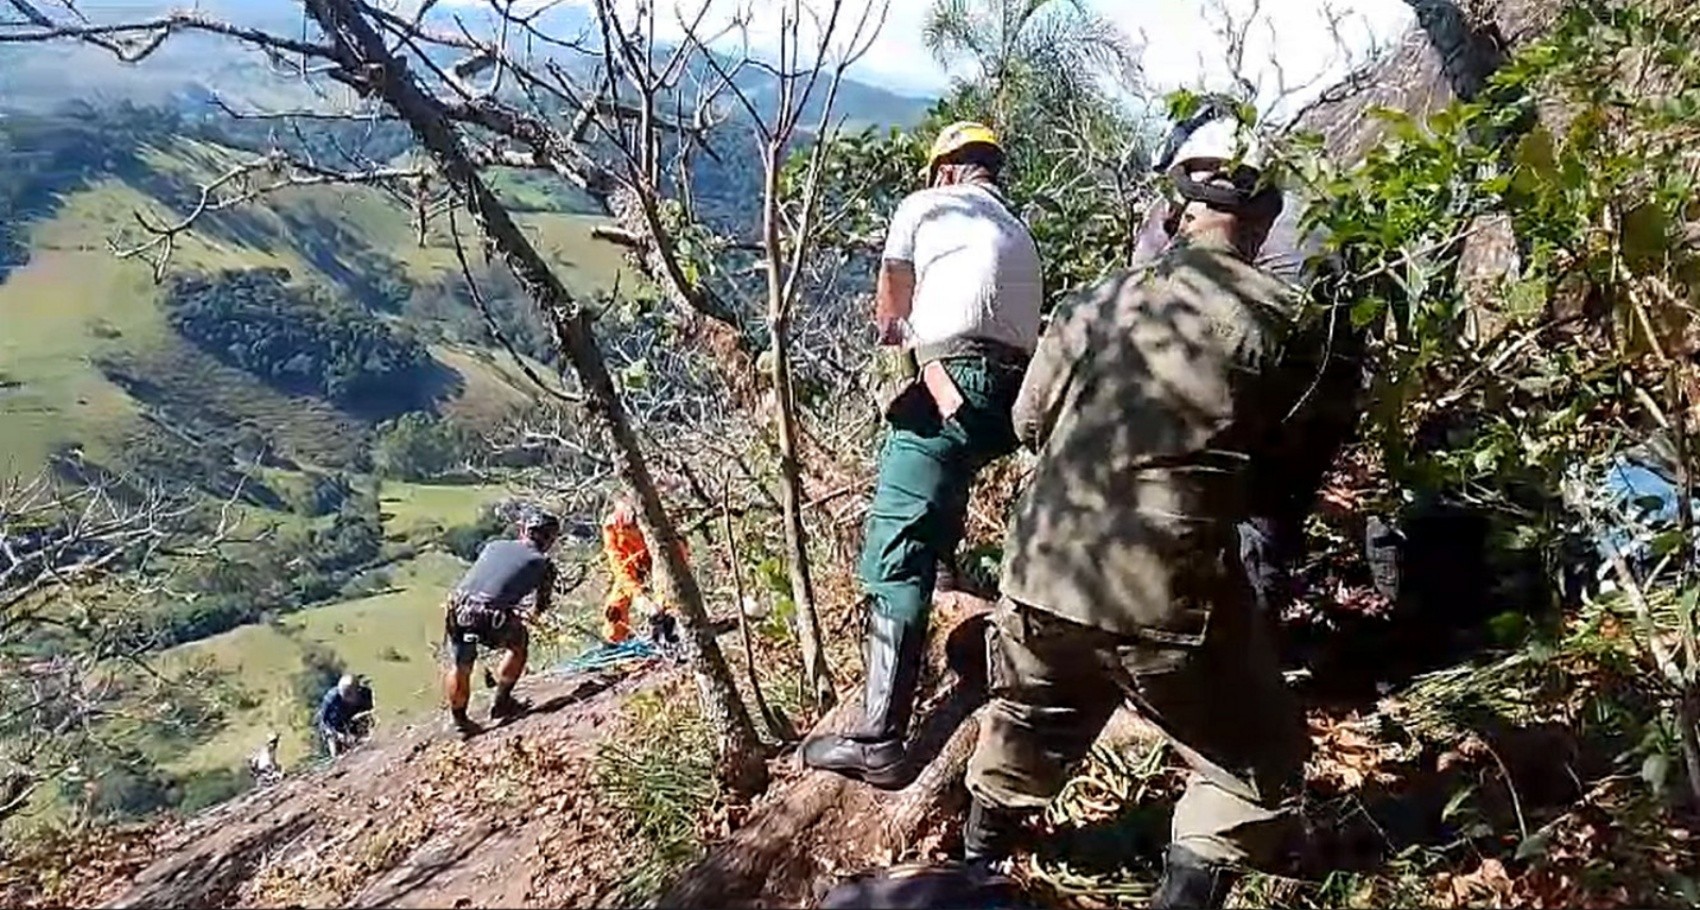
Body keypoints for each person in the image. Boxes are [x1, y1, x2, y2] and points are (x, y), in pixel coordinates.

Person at [959, 114, 1317, 909]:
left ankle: (972, 874)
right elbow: (1291, 467)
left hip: (1041, 572)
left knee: (1030, 713)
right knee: (1257, 761)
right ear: (1259, 217)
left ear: (1177, 212)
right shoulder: (1287, 323)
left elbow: (1026, 424)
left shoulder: (1093, 303)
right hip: (1164, 597)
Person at [802, 121, 1044, 787]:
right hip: (1012, 400)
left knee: (894, 544)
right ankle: (943, 577)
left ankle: (880, 738)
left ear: (943, 170)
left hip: (952, 382)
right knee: (945, 478)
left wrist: (896, 355)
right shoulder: (1017, 230)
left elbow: (891, 309)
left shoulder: (925, 205)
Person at [442, 506, 561, 736]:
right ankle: (502, 702)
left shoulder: (494, 545)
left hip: (458, 608)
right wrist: (533, 615)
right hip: (491, 616)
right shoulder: (543, 564)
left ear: (523, 530)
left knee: (461, 665)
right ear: (550, 540)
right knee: (519, 644)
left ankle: (459, 721)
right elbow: (541, 604)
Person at [600, 498, 686, 645]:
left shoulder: (659, 525)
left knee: (665, 605)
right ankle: (615, 644)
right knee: (615, 609)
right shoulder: (611, 529)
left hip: (660, 565)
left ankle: (670, 639)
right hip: (632, 568)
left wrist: (659, 603)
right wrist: (639, 596)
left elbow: (678, 556)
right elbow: (619, 565)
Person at [318, 674, 374, 758]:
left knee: (363, 741)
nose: (346, 697)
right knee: (336, 754)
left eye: (349, 693)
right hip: (335, 725)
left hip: (354, 718)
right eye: (344, 693)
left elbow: (369, 713)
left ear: (357, 691)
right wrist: (339, 735)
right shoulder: (331, 700)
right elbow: (326, 724)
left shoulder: (365, 694)